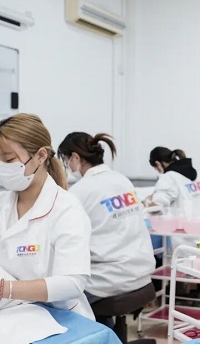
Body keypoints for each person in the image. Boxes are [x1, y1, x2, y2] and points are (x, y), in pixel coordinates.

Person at [0, 114, 93, 319]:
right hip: (13, 312)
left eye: (8, 159)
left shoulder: (66, 208)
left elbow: (72, 283)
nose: (2, 166)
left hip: (60, 317)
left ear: (41, 156)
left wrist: (6, 289)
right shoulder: (3, 204)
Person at [57, 132, 155, 309]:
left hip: (107, 282)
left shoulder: (80, 191)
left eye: (66, 161)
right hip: (141, 274)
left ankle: (97, 327)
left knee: (56, 301)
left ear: (75, 157)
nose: (68, 167)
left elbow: (64, 237)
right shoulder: (122, 180)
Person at [146, 146, 200, 247]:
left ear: (158, 164)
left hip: (191, 240)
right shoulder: (199, 175)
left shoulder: (169, 178)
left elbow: (156, 207)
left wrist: (147, 202)